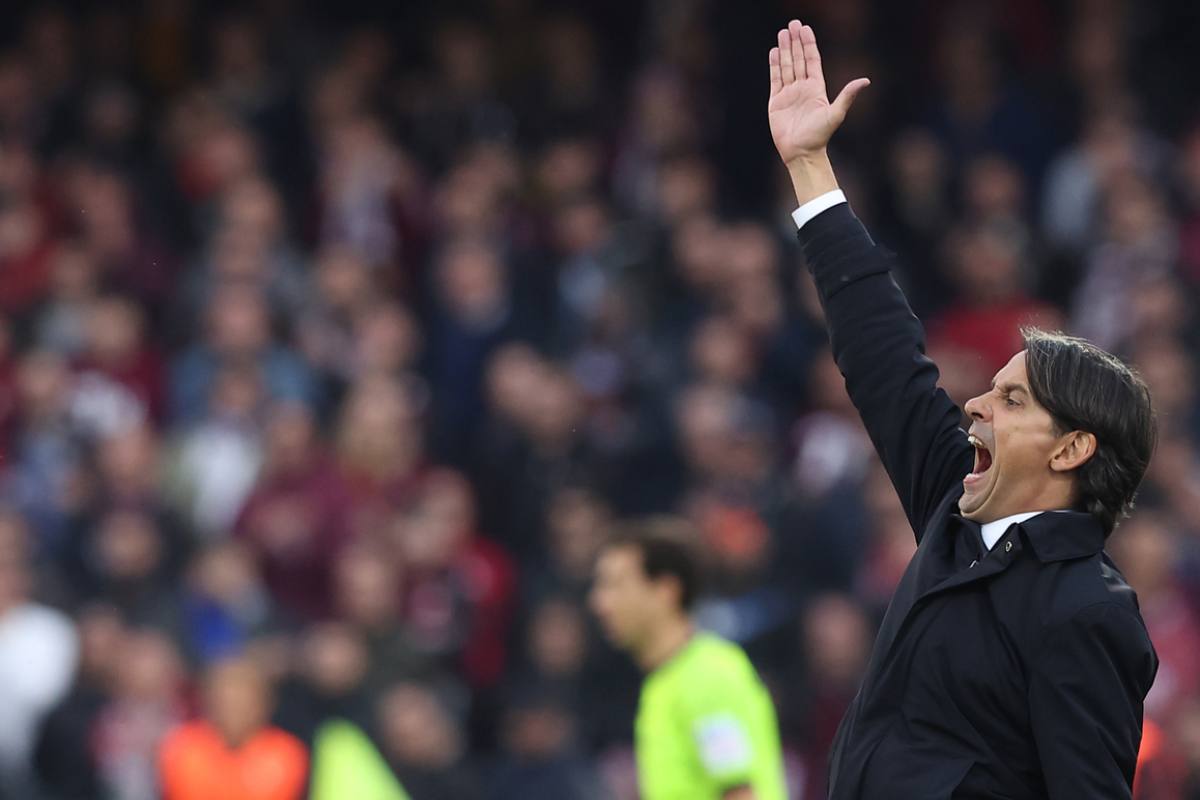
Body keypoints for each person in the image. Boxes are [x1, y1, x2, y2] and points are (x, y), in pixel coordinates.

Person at [766, 20, 1158, 799]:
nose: (975, 402)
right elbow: (884, 358)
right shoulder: (955, 509)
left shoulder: (1088, 610)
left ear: (1071, 449)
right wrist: (810, 167)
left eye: (1011, 398)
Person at [588, 517, 786, 800]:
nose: (599, 603)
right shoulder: (662, 683)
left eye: (616, 585)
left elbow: (741, 793)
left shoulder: (707, 674)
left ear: (665, 590)